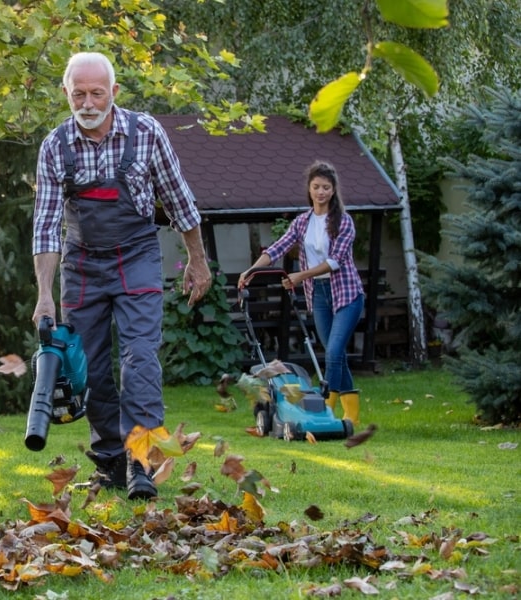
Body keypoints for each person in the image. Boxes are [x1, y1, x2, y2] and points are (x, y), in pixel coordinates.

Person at [32, 52, 211, 500]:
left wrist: (198, 260)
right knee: (87, 368)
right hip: (83, 264)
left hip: (136, 256)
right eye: (79, 94)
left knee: (141, 358)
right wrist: (44, 295)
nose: (88, 102)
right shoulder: (56, 147)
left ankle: (141, 462)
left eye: (97, 93)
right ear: (66, 94)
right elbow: (47, 225)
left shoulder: (146, 133)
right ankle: (110, 461)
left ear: (114, 92)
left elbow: (178, 200)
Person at [238, 160, 364, 425]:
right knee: (335, 353)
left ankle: (325, 409)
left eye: (326, 188)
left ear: (333, 190)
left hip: (346, 294)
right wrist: (250, 271)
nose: (321, 192)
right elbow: (276, 249)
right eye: (316, 186)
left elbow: (334, 262)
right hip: (318, 294)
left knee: (333, 353)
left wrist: (298, 276)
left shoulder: (344, 221)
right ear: (309, 188)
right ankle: (351, 413)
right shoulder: (302, 222)